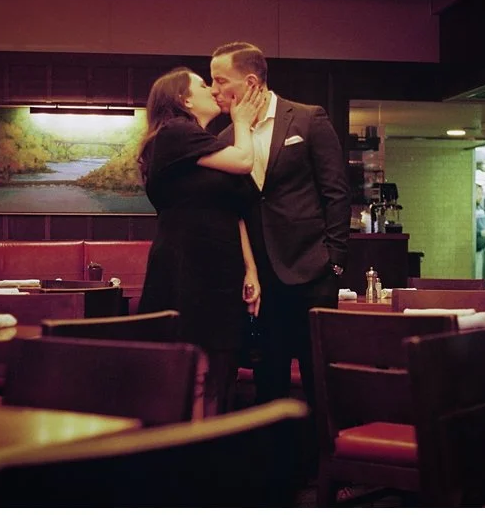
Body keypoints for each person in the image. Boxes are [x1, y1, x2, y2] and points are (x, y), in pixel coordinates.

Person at [209, 42, 351, 412]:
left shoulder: (307, 119)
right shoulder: (226, 141)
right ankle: (272, 450)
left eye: (220, 81)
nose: (213, 90)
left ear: (250, 82)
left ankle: (323, 450)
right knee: (268, 384)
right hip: (262, 281)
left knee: (320, 382)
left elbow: (337, 192)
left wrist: (334, 262)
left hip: (313, 272)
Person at [137, 67, 265, 416]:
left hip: (220, 267)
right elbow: (244, 160)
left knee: (220, 369)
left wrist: (250, 269)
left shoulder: (206, 145)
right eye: (204, 85)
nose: (213, 90)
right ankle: (186, 442)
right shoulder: (174, 133)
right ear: (184, 99)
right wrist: (242, 121)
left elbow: (236, 211)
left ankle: (209, 438)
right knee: (191, 367)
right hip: (186, 265)